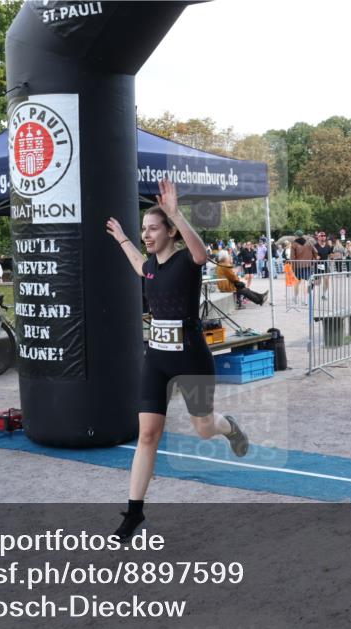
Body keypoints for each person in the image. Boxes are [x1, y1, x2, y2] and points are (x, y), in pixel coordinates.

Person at [105, 179, 251, 540]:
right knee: (148, 435)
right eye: (144, 230)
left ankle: (227, 426)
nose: (147, 235)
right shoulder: (151, 266)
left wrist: (174, 212)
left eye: (153, 228)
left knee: (203, 430)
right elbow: (140, 265)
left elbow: (201, 254)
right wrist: (122, 237)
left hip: (191, 359)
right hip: (156, 359)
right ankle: (134, 512)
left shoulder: (187, 261)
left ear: (170, 231)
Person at [289, 229, 318, 304]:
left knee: (297, 282)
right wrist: (313, 261)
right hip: (308, 265)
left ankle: (295, 298)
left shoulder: (294, 244)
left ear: (296, 236)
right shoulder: (309, 243)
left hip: (298, 265)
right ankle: (305, 300)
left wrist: (292, 267)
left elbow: (292, 257)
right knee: (306, 282)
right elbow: (315, 253)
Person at [313, 231, 334, 298]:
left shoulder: (328, 246)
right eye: (321, 236)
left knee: (326, 280)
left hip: (325, 265)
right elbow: (312, 256)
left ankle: (324, 294)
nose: (323, 237)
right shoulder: (315, 246)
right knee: (317, 283)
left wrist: (332, 257)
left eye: (324, 236)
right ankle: (311, 284)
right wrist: (315, 258)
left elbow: (331, 256)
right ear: (318, 237)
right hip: (317, 265)